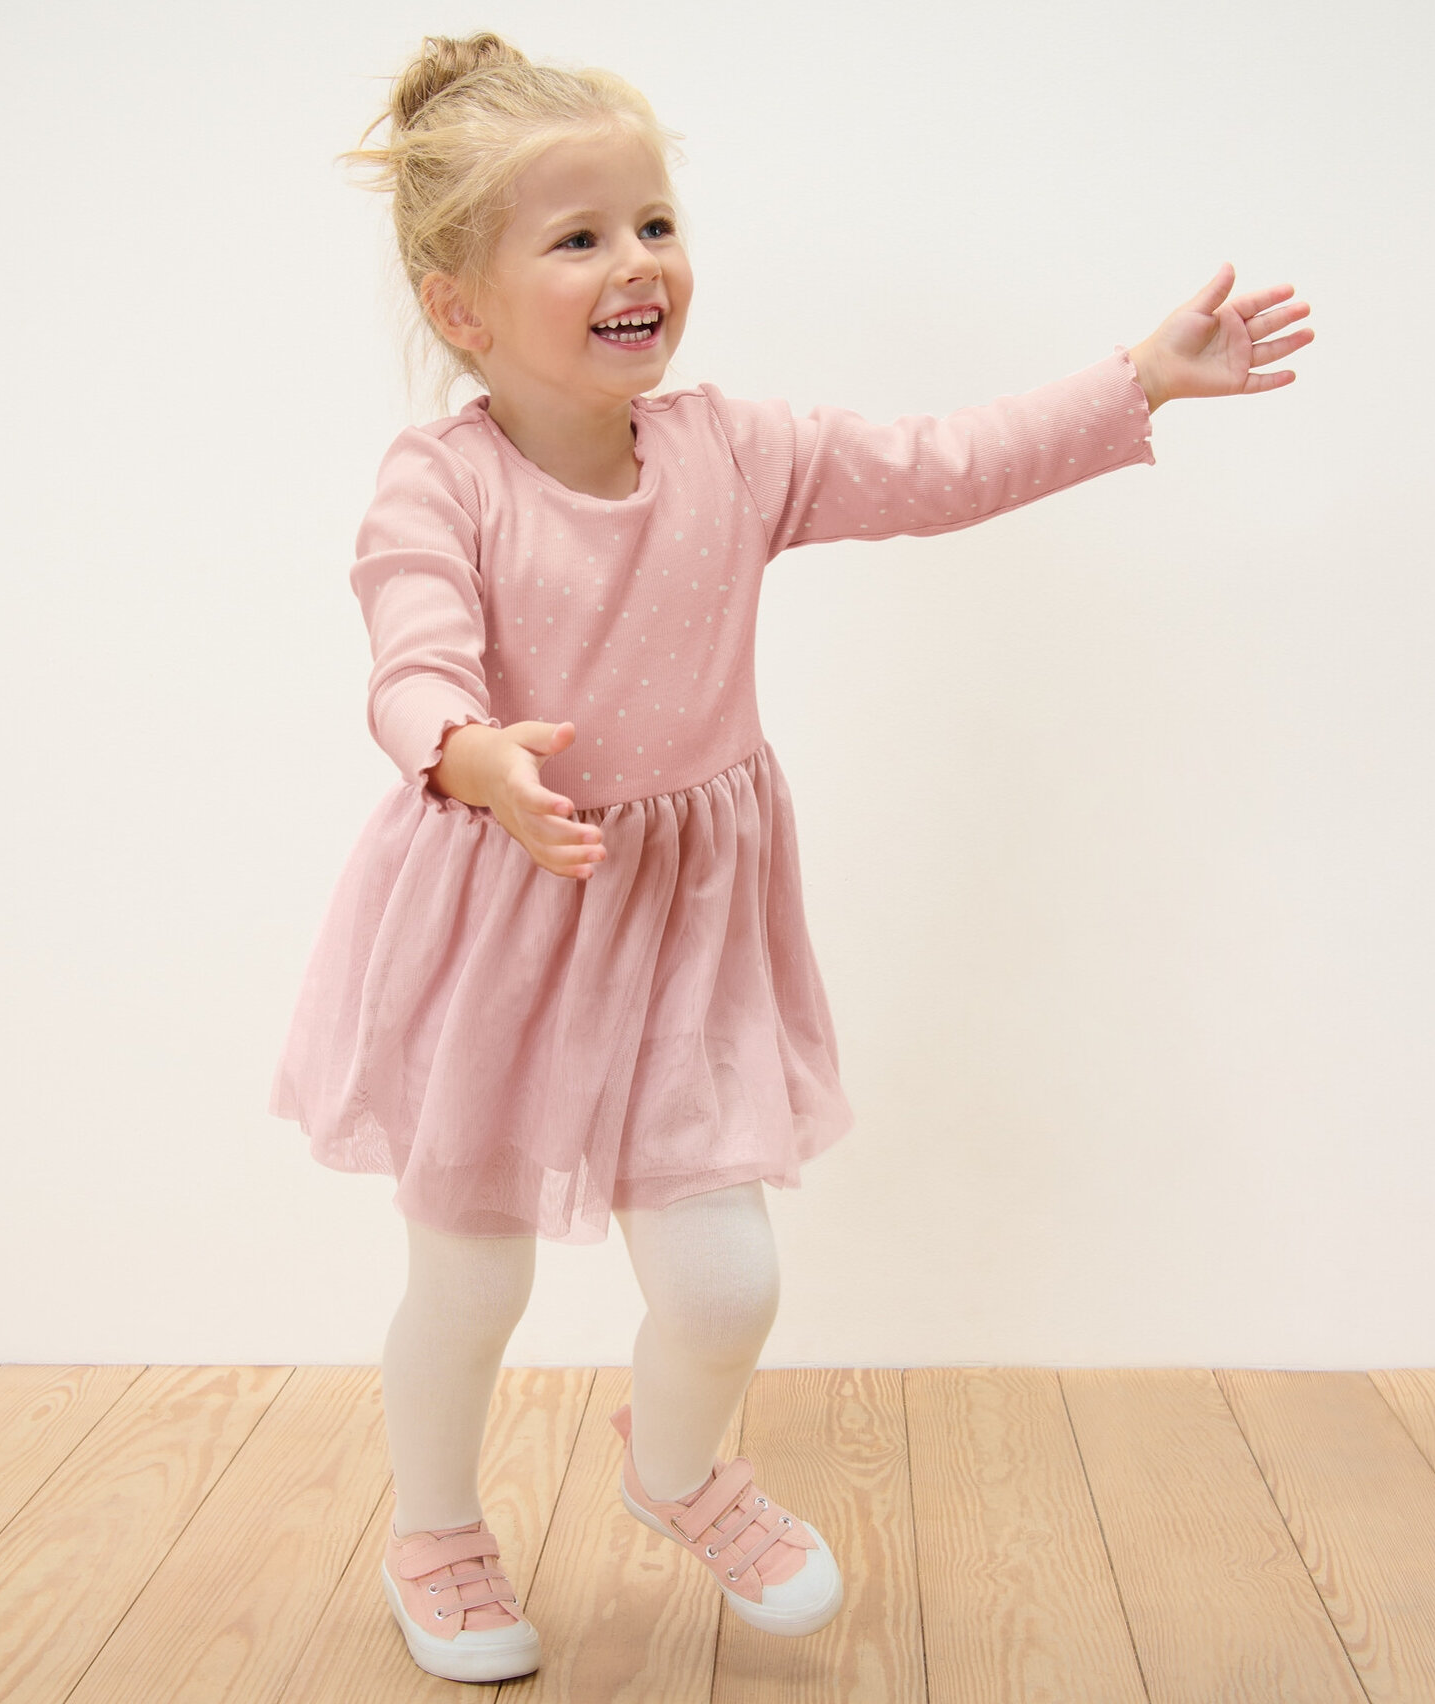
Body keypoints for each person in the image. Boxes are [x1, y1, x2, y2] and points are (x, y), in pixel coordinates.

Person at [269, 30, 1311, 1685]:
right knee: (469, 1281)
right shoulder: (441, 483)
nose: (639, 264)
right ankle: (435, 1531)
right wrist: (465, 755)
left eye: (656, 222)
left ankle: (674, 1464)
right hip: (506, 922)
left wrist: (1136, 379)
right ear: (459, 305)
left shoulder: (735, 451)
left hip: (680, 931)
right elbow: (410, 650)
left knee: (726, 1278)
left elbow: (943, 467)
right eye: (581, 236)